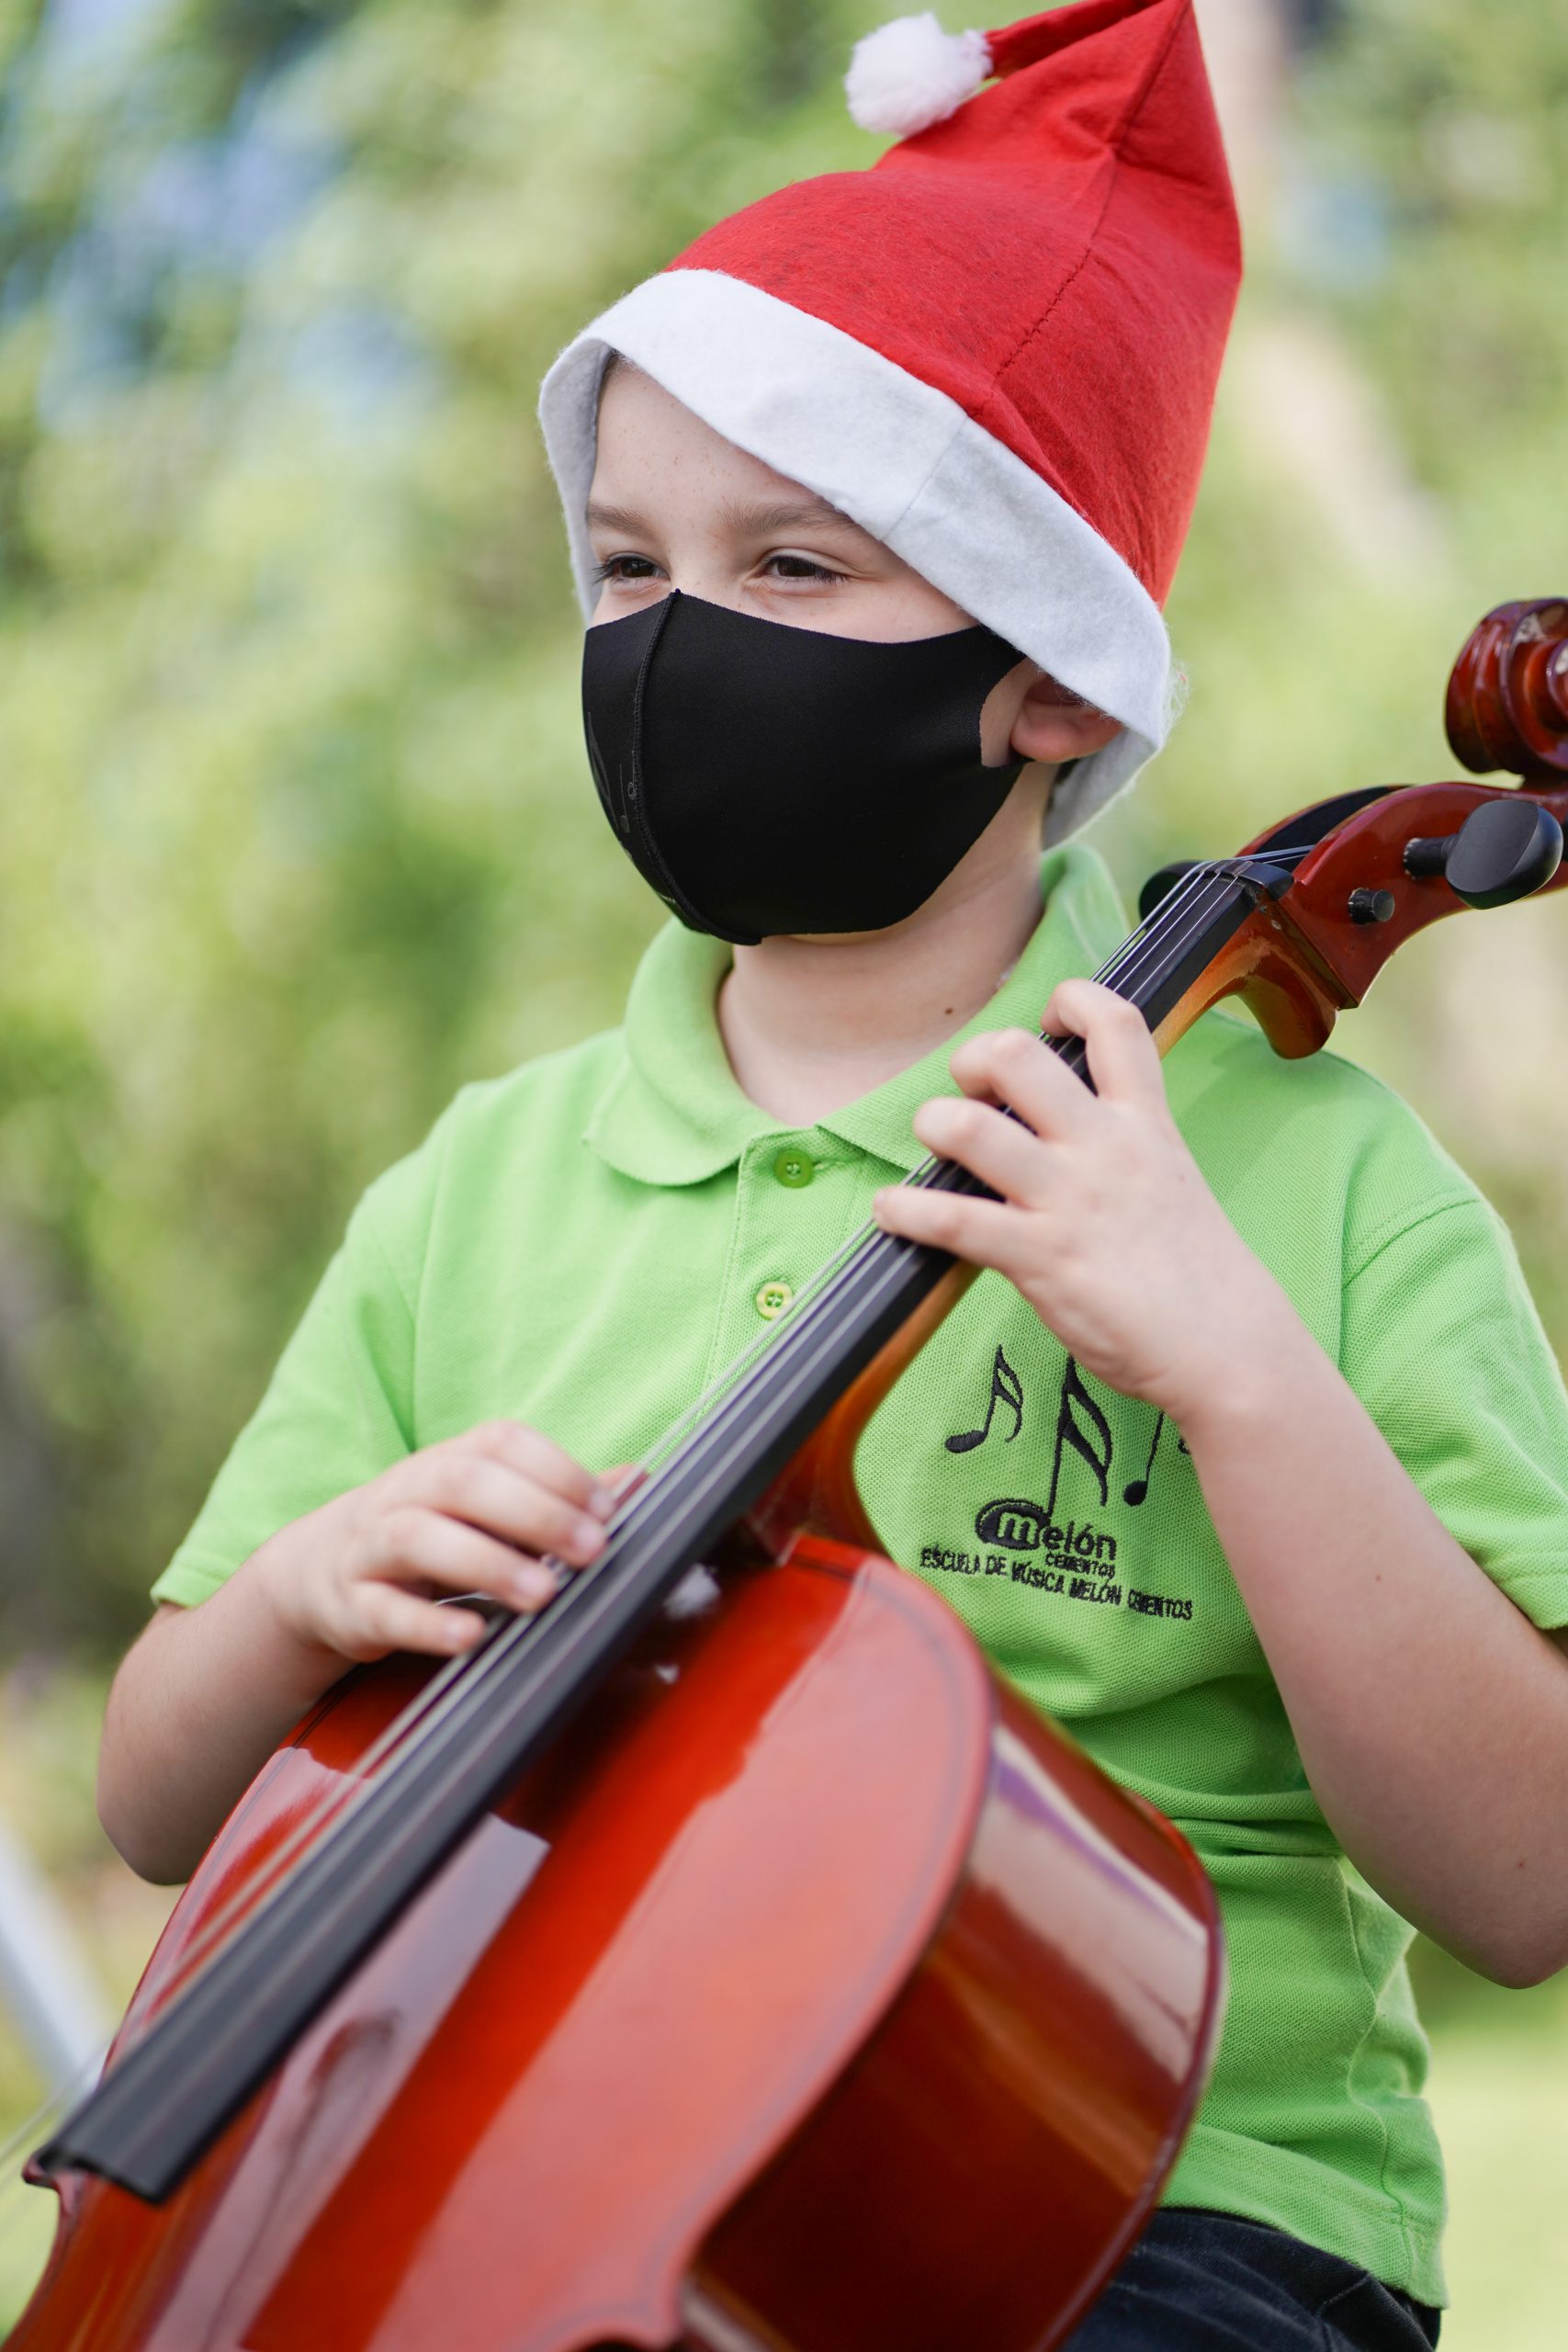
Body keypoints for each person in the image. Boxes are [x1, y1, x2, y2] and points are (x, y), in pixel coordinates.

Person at [95, 3, 1568, 2346]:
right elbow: (159, 1794)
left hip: (1158, 2214)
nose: (676, 640)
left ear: (1051, 673)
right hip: (528, 2170)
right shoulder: (481, 1188)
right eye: (624, 566)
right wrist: (295, 1592)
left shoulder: (1304, 1169)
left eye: (790, 568)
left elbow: (1524, 1873)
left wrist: (1234, 1374)